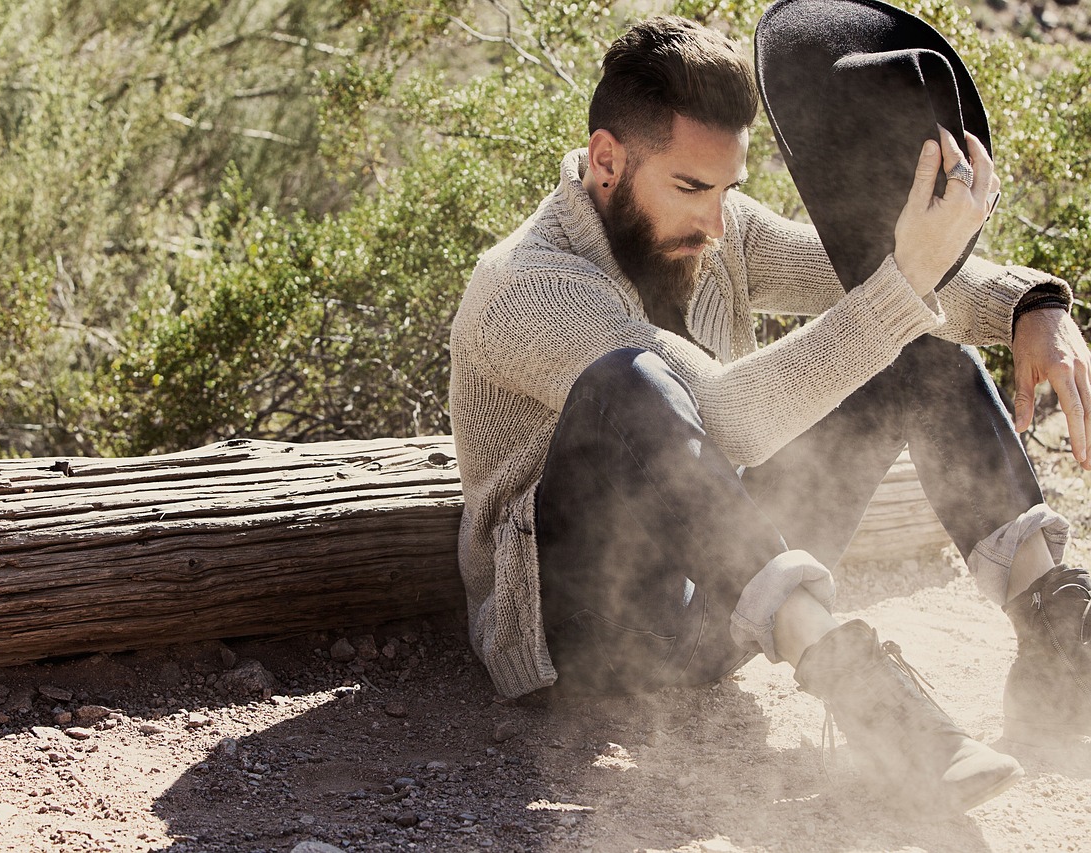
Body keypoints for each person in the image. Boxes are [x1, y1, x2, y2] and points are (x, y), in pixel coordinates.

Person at [448, 13, 1091, 814]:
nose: (716, 225)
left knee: (922, 354)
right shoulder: (523, 286)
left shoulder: (721, 228)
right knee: (628, 379)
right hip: (592, 633)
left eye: (729, 190)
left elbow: (876, 266)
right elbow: (725, 416)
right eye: (690, 189)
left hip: (728, 600)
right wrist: (904, 285)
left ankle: (1060, 654)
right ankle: (863, 693)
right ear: (608, 160)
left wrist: (1029, 303)